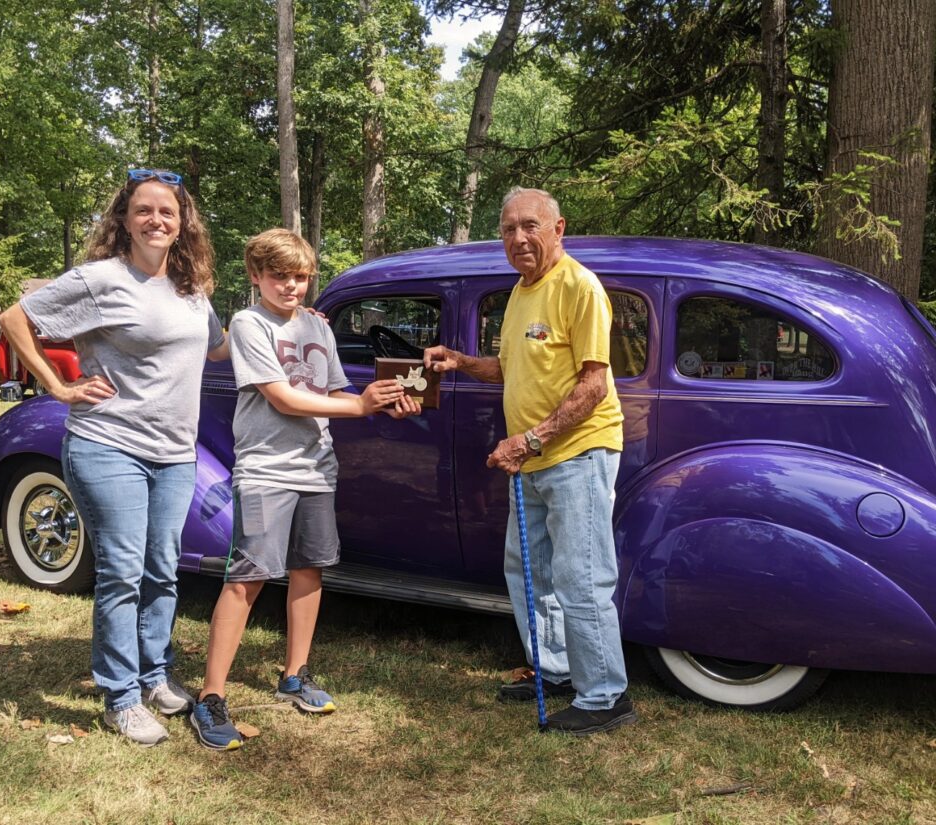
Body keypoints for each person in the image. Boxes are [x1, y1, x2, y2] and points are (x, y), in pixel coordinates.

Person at [0, 168, 228, 746]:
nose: (157, 219)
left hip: (176, 453)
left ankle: (154, 675)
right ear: (124, 219)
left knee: (162, 570)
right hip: (109, 444)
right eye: (144, 209)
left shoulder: (190, 289)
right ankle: (120, 696)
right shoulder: (100, 279)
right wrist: (58, 386)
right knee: (122, 572)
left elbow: (221, 348)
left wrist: (293, 323)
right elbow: (14, 319)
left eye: (168, 212)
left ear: (183, 224)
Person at [189, 228, 420, 750]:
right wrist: (359, 407)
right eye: (278, 276)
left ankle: (295, 675)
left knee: (309, 569)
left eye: (299, 277)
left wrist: (381, 397)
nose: (290, 286)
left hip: (317, 467)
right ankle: (210, 697)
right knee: (248, 577)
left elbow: (335, 389)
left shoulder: (319, 327)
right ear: (256, 276)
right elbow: (282, 397)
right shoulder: (249, 323)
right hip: (267, 470)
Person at [423, 187, 636, 736]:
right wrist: (461, 362)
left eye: (530, 226)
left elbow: (594, 384)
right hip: (537, 457)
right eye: (509, 228)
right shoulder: (521, 292)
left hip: (576, 453)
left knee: (581, 576)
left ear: (558, 229)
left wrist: (530, 440)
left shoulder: (579, 287)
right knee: (528, 569)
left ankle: (606, 694)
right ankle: (559, 670)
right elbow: (512, 367)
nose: (519, 238)